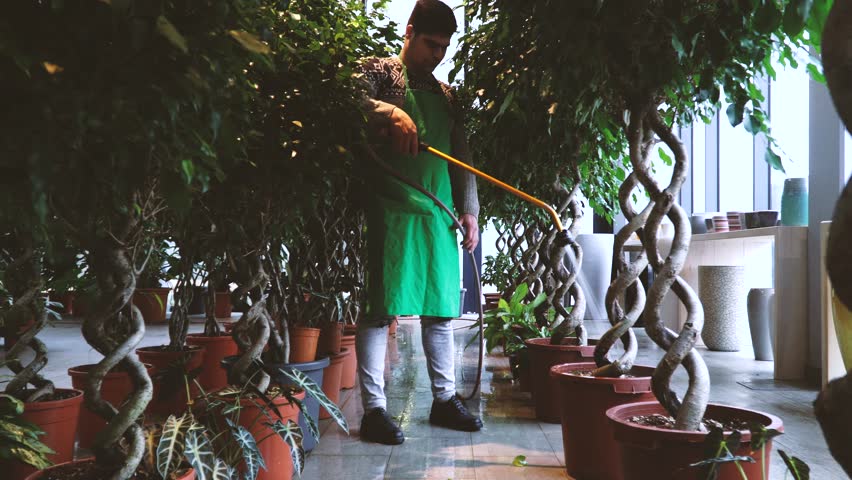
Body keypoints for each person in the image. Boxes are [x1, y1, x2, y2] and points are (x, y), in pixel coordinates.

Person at [354, 0, 482, 445]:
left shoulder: (447, 95)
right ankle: (374, 410)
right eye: (431, 44)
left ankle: (444, 400)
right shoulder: (378, 73)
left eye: (445, 47)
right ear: (409, 32)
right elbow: (343, 99)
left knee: (441, 309)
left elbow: (463, 157)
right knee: (379, 308)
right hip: (389, 206)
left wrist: (470, 211)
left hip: (439, 211)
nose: (438, 55)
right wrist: (390, 112)